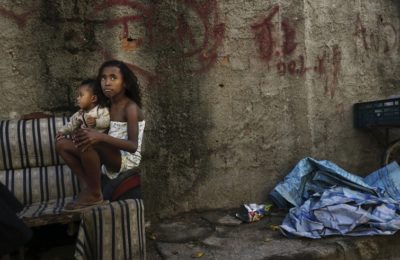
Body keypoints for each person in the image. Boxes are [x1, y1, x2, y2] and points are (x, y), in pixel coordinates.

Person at [56, 60, 145, 211]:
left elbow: (133, 146)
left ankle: (95, 195)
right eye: (103, 78)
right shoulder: (108, 106)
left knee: (91, 140)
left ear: (125, 83)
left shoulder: (130, 108)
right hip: (109, 152)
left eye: (113, 78)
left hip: (125, 159)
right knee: (62, 144)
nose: (107, 83)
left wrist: (100, 137)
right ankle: (89, 186)